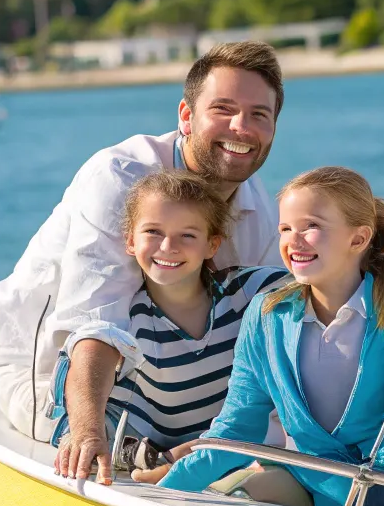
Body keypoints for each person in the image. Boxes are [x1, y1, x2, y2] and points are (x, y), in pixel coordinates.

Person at [0, 41, 285, 478]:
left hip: (169, 390)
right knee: (94, 438)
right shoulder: (120, 178)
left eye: (259, 114)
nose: (241, 127)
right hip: (50, 373)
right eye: (223, 108)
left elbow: (268, 335)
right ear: (186, 115)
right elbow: (95, 326)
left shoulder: (259, 208)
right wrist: (86, 432)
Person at [134, 166, 384, 506]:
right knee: (236, 499)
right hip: (304, 474)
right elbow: (237, 428)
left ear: (358, 239)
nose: (293, 241)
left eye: (310, 227)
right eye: (285, 228)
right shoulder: (265, 315)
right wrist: (169, 495)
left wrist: (372, 483)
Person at [46, 169, 287, 483]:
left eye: (188, 235)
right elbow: (88, 354)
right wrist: (161, 456)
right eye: (153, 232)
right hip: (144, 451)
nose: (168, 246)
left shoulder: (246, 292)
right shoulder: (129, 318)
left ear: (212, 245)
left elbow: (325, 279)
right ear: (131, 241)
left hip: (221, 451)